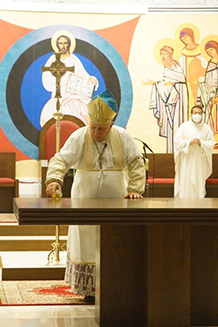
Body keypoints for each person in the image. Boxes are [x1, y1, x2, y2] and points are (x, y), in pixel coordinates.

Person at [45, 90, 145, 302]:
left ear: (111, 125)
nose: (96, 132)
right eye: (93, 127)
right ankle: (89, 290)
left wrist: (135, 189)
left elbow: (136, 162)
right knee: (87, 241)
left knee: (115, 241)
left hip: (116, 201)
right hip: (84, 201)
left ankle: (115, 283)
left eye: (101, 129)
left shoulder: (123, 136)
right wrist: (54, 179)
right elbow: (61, 159)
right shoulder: (80, 136)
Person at [40, 33, 98, 126]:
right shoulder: (52, 59)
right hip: (59, 91)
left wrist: (91, 79)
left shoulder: (74, 59)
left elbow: (82, 75)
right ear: (57, 45)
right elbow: (47, 78)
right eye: (60, 43)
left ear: (69, 44)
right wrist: (60, 81)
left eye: (65, 43)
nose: (63, 46)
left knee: (81, 106)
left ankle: (87, 130)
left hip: (73, 92)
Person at [145, 45, 187, 153]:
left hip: (177, 101)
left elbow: (179, 82)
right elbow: (167, 84)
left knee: (177, 125)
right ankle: (170, 152)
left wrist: (156, 83)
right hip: (167, 102)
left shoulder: (177, 67)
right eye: (162, 54)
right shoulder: (165, 68)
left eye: (165, 54)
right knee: (170, 127)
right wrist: (158, 84)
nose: (163, 57)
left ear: (171, 54)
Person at [174, 105, 215, 198]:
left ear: (202, 114)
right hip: (186, 160)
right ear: (191, 114)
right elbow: (177, 141)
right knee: (186, 181)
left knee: (198, 182)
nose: (197, 115)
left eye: (199, 113)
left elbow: (211, 143)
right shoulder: (184, 127)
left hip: (199, 162)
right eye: (195, 113)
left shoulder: (206, 128)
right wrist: (189, 142)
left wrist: (201, 143)